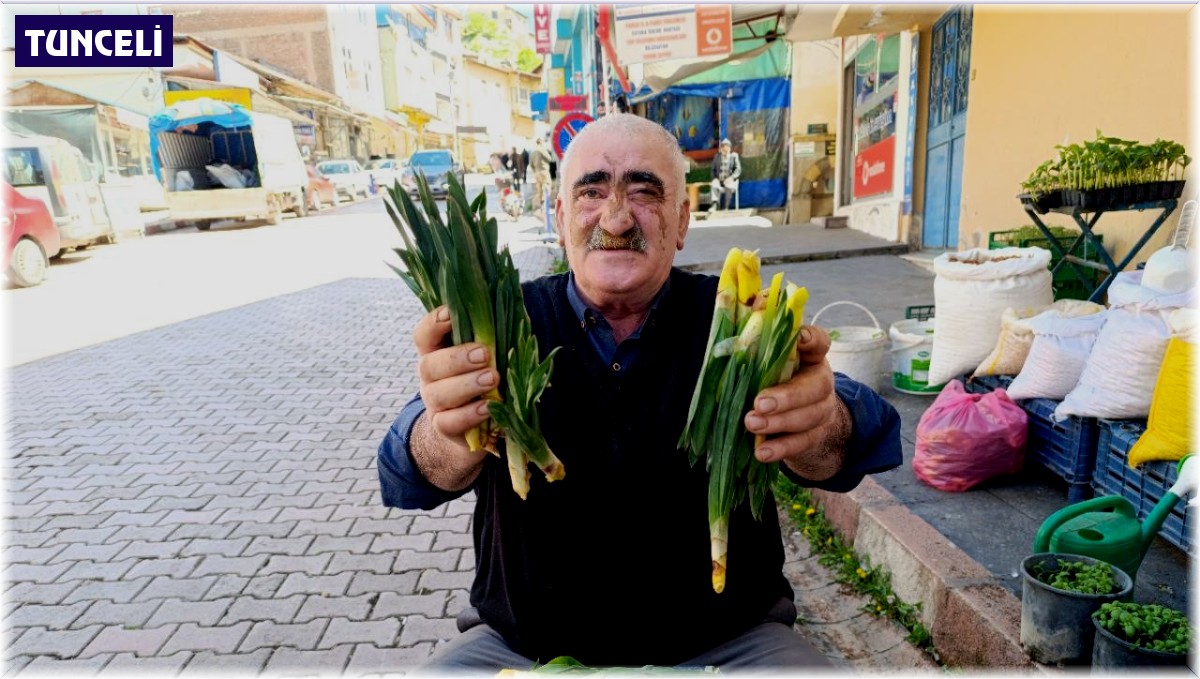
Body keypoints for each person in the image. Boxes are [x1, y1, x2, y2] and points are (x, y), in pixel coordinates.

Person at [377, 113, 901, 672]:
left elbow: (869, 437)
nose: (618, 217)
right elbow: (402, 474)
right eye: (592, 191)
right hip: (521, 648)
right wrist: (450, 433)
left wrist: (822, 425)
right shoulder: (508, 324)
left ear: (682, 222)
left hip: (727, 647)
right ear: (560, 219)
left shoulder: (735, 317)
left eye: (645, 192)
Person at [710, 138, 742, 212]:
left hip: (729, 180)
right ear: (721, 148)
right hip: (719, 180)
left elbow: (738, 170)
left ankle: (726, 207)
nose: (725, 149)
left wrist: (731, 178)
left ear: (730, 148)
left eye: (727, 147)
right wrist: (714, 178)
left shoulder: (734, 156)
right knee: (714, 185)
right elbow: (713, 170)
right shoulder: (717, 157)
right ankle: (714, 205)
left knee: (728, 185)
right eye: (723, 147)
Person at [529, 137, 554, 213]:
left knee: (539, 189)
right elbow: (549, 159)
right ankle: (546, 204)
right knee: (547, 186)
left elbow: (531, 164)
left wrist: (534, 171)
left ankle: (541, 206)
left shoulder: (533, 152)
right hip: (543, 170)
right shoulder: (542, 149)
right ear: (541, 142)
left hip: (536, 172)